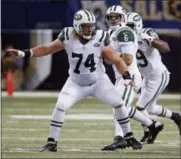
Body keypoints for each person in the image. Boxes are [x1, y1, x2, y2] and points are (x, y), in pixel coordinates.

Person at [5, 9, 142, 152]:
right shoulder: (67, 35)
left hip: (99, 82)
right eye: (85, 26)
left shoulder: (100, 37)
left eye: (91, 25)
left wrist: (126, 76)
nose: (89, 29)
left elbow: (117, 60)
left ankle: (129, 136)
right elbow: (47, 49)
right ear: (77, 26)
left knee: (119, 103)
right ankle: (52, 142)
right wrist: (25, 52)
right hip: (76, 82)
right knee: (60, 106)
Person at [101, 5, 164, 151]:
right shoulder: (113, 32)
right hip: (121, 76)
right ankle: (152, 125)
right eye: (110, 17)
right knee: (120, 107)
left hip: (129, 77)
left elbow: (128, 59)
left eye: (116, 16)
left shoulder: (124, 32)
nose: (113, 19)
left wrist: (110, 57)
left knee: (119, 106)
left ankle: (120, 138)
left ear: (123, 18)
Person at [125, 12, 181, 144]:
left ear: (138, 25)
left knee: (140, 107)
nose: (127, 28)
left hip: (158, 75)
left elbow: (166, 48)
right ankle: (176, 116)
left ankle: (150, 131)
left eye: (130, 25)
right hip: (146, 77)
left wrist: (152, 40)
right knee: (149, 108)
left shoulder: (145, 33)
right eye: (125, 25)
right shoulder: (125, 37)